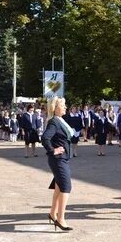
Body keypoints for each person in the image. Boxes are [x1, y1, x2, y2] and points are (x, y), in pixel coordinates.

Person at [42, 96, 74, 231]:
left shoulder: (60, 120)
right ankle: (60, 219)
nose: (65, 107)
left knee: (59, 187)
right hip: (58, 159)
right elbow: (45, 138)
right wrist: (52, 150)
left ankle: (52, 213)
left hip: (63, 158)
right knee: (66, 187)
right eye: (63, 105)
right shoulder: (54, 122)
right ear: (55, 108)